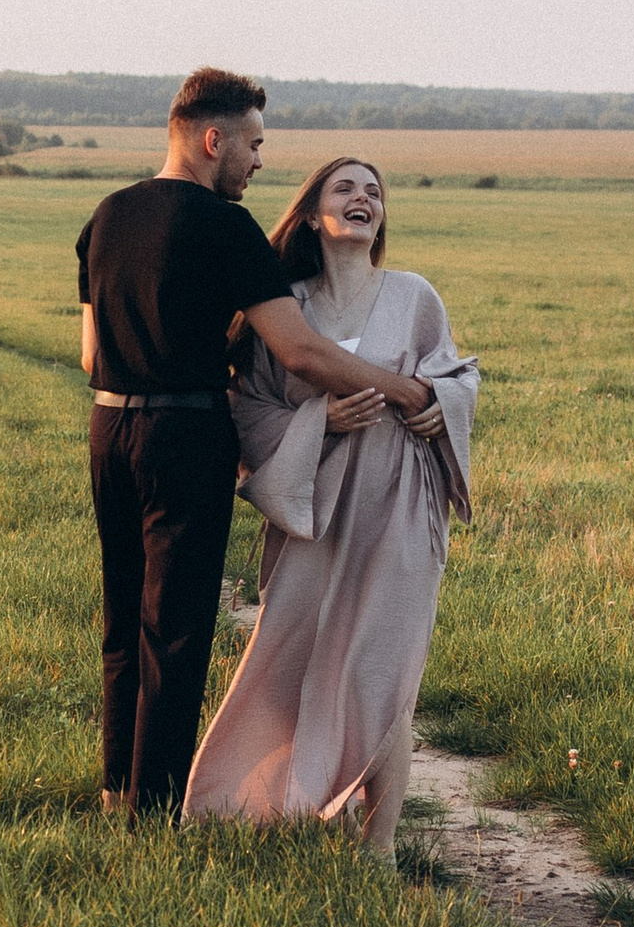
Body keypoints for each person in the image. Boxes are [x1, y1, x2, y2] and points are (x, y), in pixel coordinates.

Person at [77, 71, 411, 818]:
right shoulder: (226, 227)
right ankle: (154, 810)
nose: (259, 162)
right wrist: (406, 389)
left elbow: (90, 354)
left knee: (123, 612)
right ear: (213, 140)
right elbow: (300, 352)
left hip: (108, 429)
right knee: (177, 625)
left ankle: (114, 792)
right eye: (254, 145)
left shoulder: (106, 215)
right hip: (187, 432)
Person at [182, 155, 477, 850]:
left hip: (400, 505)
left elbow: (456, 372)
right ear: (313, 211)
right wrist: (320, 423)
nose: (363, 199)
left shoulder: (414, 295)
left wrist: (442, 403)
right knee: (306, 658)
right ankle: (309, 804)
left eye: (374, 192)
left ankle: (377, 850)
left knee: (383, 669)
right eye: (345, 188)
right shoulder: (286, 307)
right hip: (312, 511)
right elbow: (248, 409)